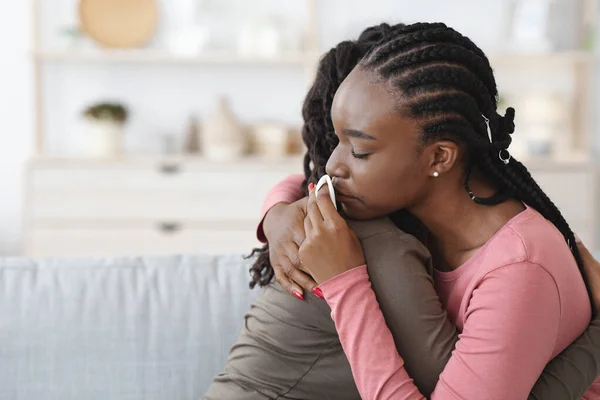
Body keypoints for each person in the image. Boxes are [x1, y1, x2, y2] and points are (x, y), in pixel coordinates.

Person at [205, 23, 600, 400]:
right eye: (338, 141)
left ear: (440, 156)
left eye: (359, 150)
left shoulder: (518, 268)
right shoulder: (409, 213)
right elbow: (303, 178)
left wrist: (345, 283)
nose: (332, 166)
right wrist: (276, 214)